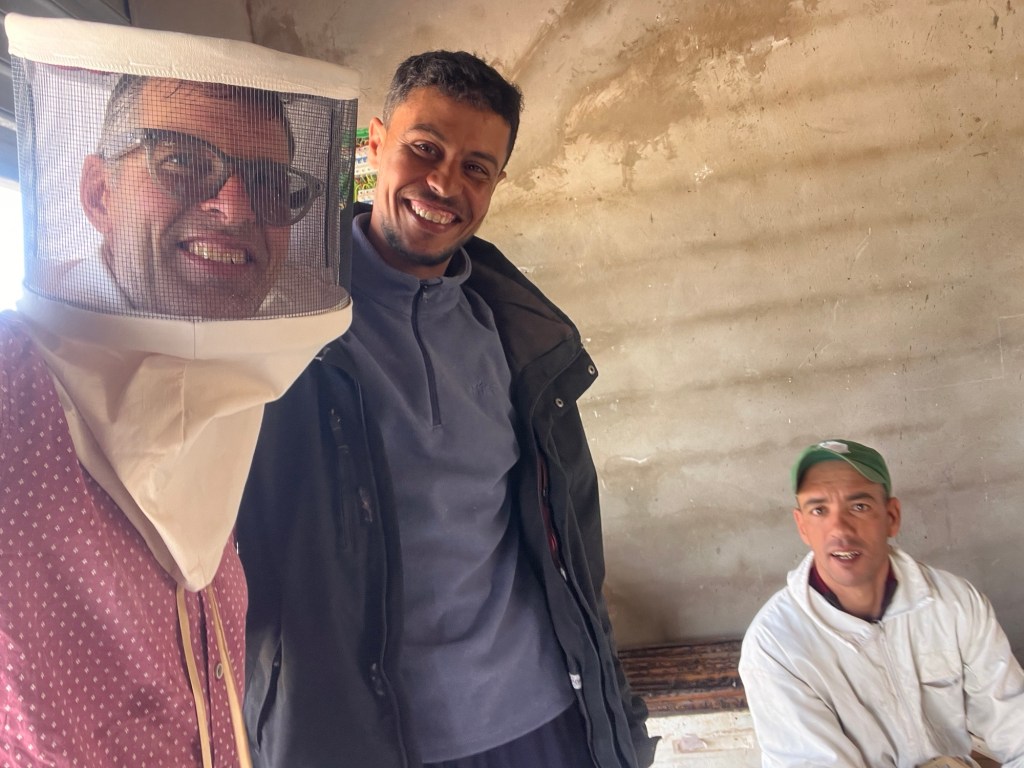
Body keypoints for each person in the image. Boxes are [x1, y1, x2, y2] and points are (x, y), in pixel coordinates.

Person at [238, 51, 657, 768]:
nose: (443, 184)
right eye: (425, 149)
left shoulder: (516, 333)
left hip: (545, 722)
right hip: (371, 743)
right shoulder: (280, 321)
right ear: (374, 144)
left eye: (476, 167)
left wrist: (610, 708)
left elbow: (568, 549)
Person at [0, 13, 358, 767]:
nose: (236, 207)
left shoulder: (249, 383)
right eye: (183, 161)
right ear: (98, 191)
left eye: (271, 184)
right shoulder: (11, 392)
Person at [738, 438, 1024, 767]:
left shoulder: (955, 604)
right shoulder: (776, 645)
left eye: (859, 506)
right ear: (802, 526)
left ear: (891, 517)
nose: (839, 529)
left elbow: (1015, 724)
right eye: (819, 510)